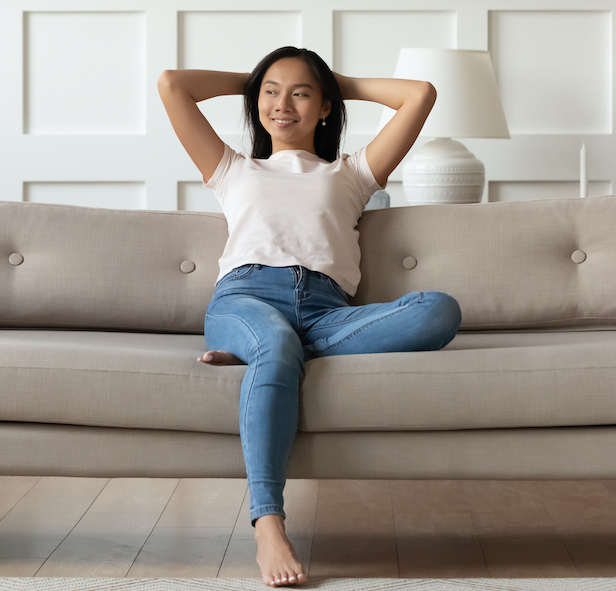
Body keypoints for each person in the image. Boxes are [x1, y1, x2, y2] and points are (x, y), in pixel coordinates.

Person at [157, 46, 462, 588]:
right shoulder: (232, 168)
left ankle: (267, 353)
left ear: (325, 106)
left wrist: (331, 80)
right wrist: (256, 80)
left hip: (326, 313)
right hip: (246, 298)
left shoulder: (354, 173)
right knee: (275, 342)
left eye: (301, 93)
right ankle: (268, 524)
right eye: (271, 93)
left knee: (437, 309)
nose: (283, 104)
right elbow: (172, 85)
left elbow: (420, 94)